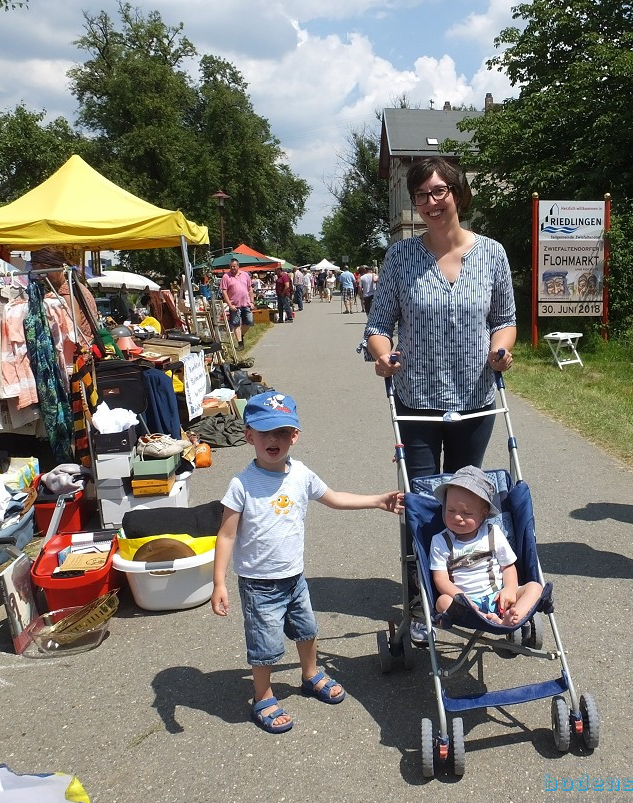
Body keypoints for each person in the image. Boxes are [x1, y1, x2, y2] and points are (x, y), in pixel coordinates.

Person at [211, 390, 404, 733]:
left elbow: (335, 498)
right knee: (265, 646)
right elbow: (225, 535)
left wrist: (377, 500)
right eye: (266, 432)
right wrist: (219, 583)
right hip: (258, 584)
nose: (274, 439)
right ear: (249, 436)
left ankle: (310, 673)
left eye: (283, 432)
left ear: (295, 436)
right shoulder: (241, 484)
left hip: (294, 578)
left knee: (308, 630)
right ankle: (263, 695)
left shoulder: (300, 474)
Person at [365, 156, 517, 482]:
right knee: (422, 498)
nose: (430, 202)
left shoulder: (492, 253)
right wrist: (383, 356)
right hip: (415, 396)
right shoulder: (400, 256)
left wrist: (500, 351)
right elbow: (378, 325)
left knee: (465, 499)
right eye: (420, 194)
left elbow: (504, 320)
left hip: (475, 398)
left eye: (438, 191)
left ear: (457, 194)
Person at [429, 465, 542, 627]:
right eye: (450, 510)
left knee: (535, 587)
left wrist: (510, 589)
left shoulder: (493, 533)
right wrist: (460, 597)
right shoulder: (440, 541)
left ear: (483, 514)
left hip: (498, 598)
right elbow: (440, 578)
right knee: (442, 601)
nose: (457, 517)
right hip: (465, 603)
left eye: (467, 513)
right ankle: (484, 618)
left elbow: (508, 567)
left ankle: (511, 618)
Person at [31, 247, 101, 361]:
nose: (39, 278)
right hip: (85, 351)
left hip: (78, 356)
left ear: (47, 268)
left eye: (41, 274)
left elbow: (73, 331)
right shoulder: (75, 286)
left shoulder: (66, 292)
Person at [219, 258, 254, 350]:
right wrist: (230, 305)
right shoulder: (226, 277)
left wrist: (252, 301)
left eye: (234, 266)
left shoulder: (245, 275)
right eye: (231, 267)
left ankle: (241, 335)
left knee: (249, 322)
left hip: (246, 303)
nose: (232, 268)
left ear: (238, 266)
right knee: (236, 324)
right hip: (235, 305)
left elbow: (250, 288)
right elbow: (224, 292)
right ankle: (240, 343)